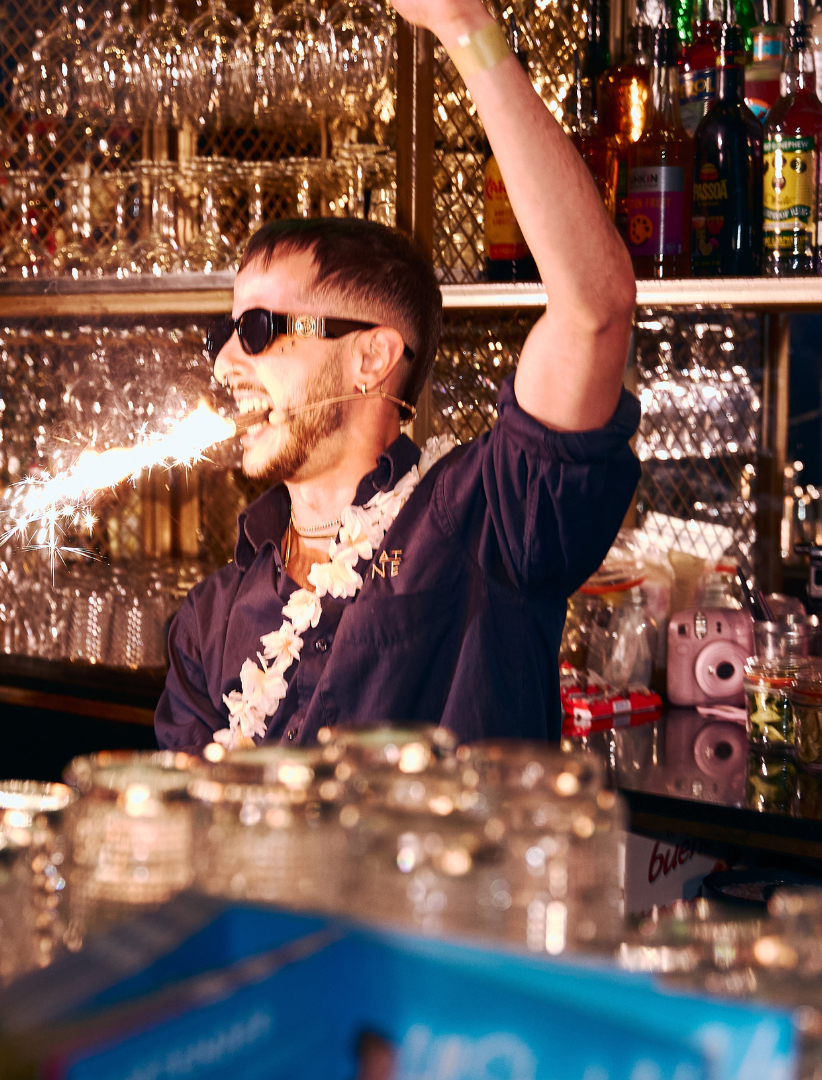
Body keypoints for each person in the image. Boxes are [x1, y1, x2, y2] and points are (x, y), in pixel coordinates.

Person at [154, 0, 640, 750]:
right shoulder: (211, 619)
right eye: (225, 332)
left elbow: (594, 311)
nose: (225, 361)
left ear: (372, 355)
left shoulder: (485, 527)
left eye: (257, 330)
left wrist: (464, 28)